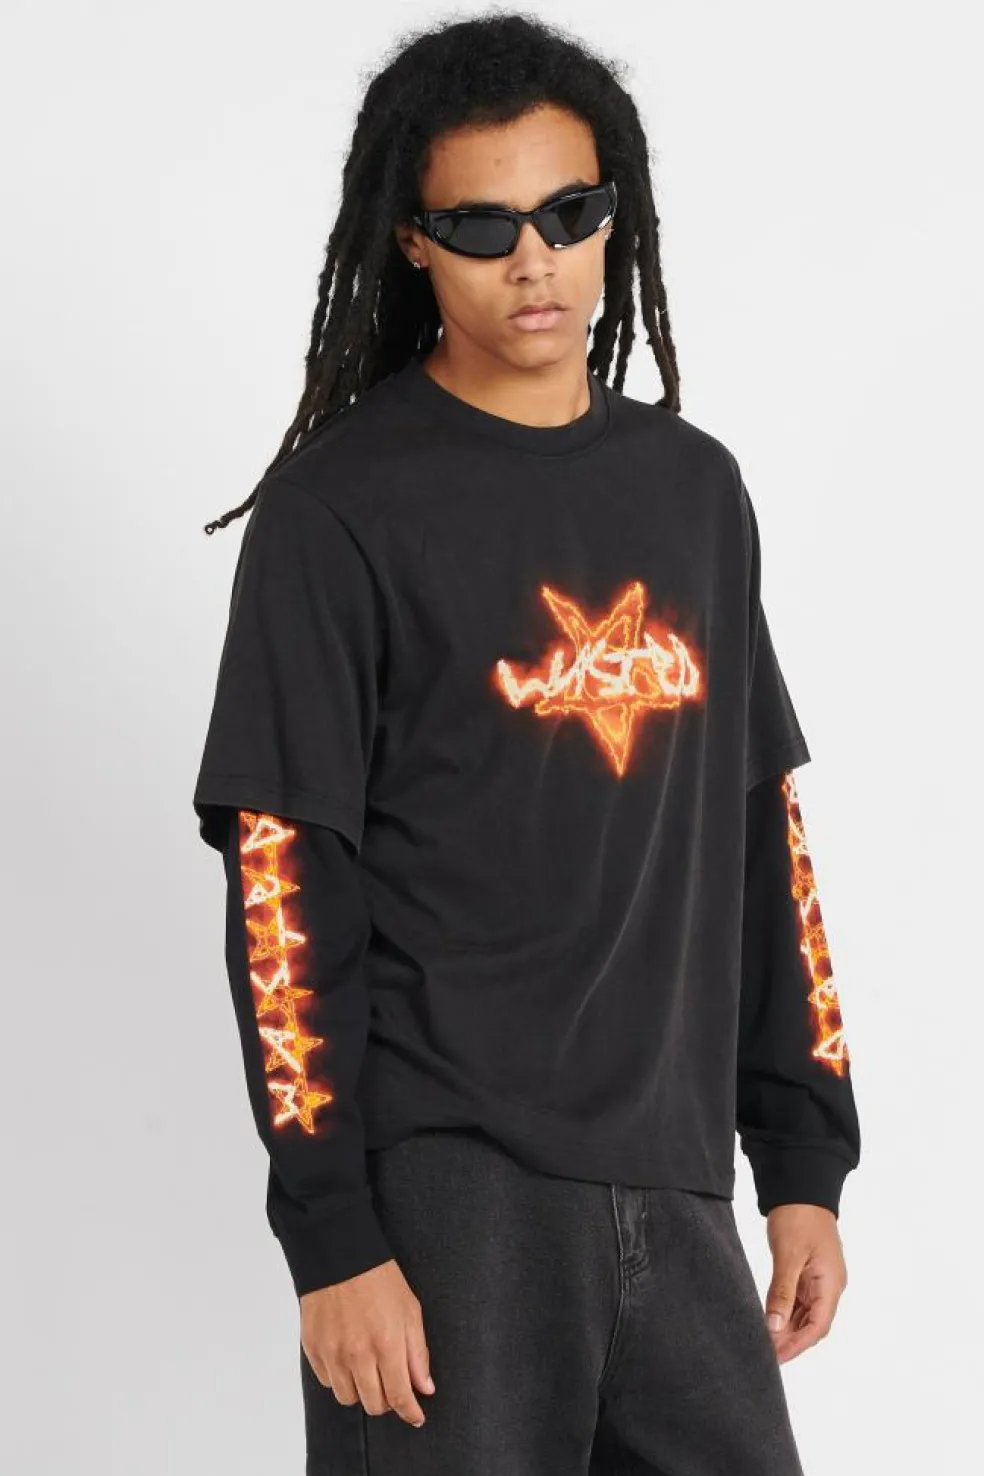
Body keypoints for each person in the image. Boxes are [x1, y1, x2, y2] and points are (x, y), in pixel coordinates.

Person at [192, 12, 861, 1474]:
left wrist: (803, 1154)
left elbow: (762, 833)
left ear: (616, 215)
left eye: (569, 213)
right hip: (449, 1204)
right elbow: (282, 886)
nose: (534, 257)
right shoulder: (338, 513)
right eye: (481, 225)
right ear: (414, 243)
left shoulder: (693, 492)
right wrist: (333, 1237)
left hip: (675, 1183)